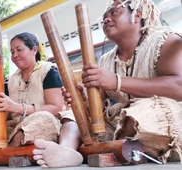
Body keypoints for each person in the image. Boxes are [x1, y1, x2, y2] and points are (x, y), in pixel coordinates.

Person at [33, 0, 182, 168]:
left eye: (114, 12)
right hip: (120, 123)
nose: (106, 19)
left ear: (137, 15)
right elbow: (95, 106)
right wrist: (82, 98)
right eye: (104, 17)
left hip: (161, 117)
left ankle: (109, 149)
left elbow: (179, 86)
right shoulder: (106, 60)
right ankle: (67, 151)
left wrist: (116, 81)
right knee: (73, 115)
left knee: (144, 112)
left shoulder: (165, 40)